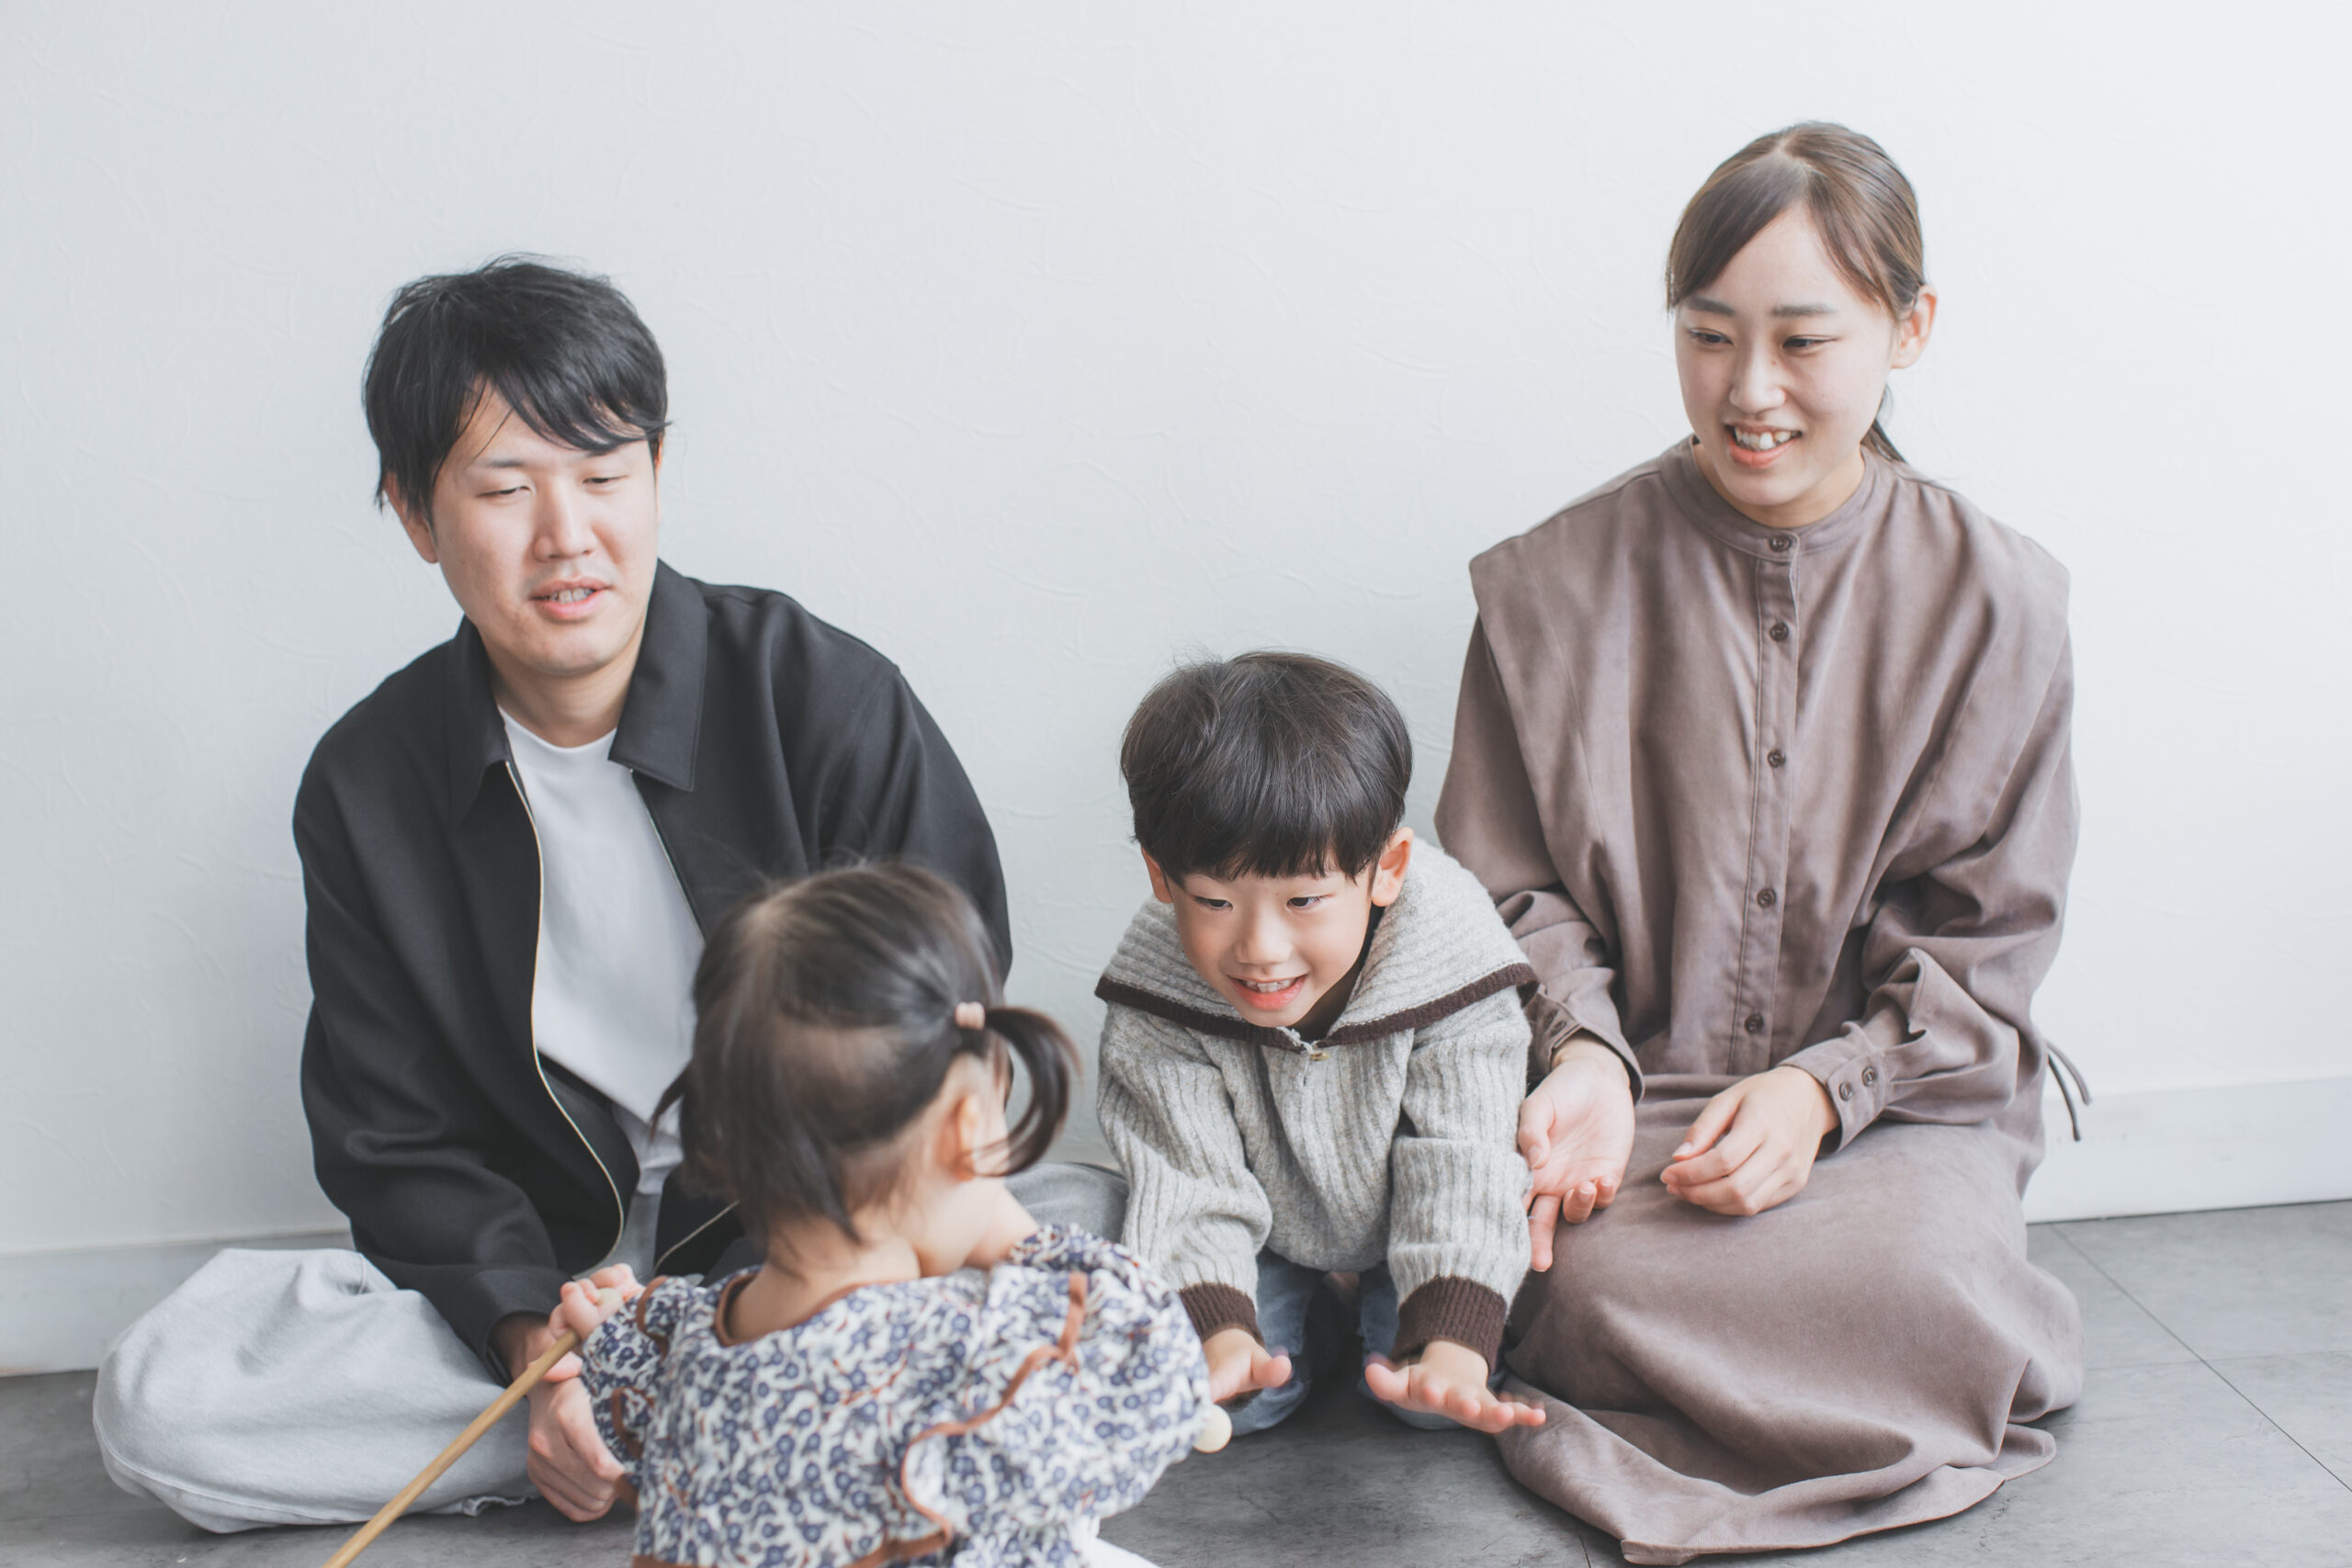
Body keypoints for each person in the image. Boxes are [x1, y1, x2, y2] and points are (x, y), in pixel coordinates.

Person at [91, 257, 1101, 1533]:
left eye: (605, 475)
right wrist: (539, 1345)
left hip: (820, 1244)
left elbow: (940, 1037)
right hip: (554, 1268)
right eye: (504, 487)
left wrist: (791, 1278)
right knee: (165, 1391)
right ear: (414, 511)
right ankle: (730, 1428)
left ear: (658, 471)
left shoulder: (820, 696)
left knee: (1087, 1230)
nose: (566, 534)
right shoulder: (365, 782)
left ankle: (681, 1419)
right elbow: (393, 1138)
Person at [1434, 123, 2086, 1563]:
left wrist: (1823, 1089)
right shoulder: (1549, 586)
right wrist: (1586, 1057)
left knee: (1926, 1277)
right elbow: (1502, 893)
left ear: (1909, 327)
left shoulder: (2001, 601)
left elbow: (1988, 942)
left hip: (1899, 1112)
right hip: (1632, 1095)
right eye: (1708, 334)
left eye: (1801, 340)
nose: (1750, 390)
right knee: (1585, 1275)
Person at [553, 863, 1209, 1568]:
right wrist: (1018, 1236)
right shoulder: (964, 1358)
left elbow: (635, 1375)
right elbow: (1157, 1371)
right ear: (966, 1132)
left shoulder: (687, 1349)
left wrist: (615, 1328)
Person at [1095, 652, 1546, 1436]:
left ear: (1387, 869)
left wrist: (1454, 1349)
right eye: (1214, 901)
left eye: (1304, 899)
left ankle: (1377, 1315)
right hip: (1263, 1223)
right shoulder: (1157, 991)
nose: (1260, 948)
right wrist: (1220, 1338)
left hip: (1411, 1214)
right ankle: (1316, 1319)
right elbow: (1187, 1175)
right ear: (1162, 878)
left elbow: (1465, 1156)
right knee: (1243, 1403)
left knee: (1427, 1402)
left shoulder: (1454, 960)